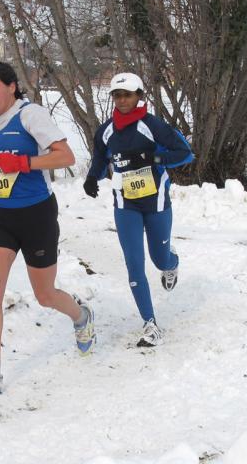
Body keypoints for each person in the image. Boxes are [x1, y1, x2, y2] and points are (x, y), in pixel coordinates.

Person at [0, 61, 95, 393]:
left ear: (11, 87)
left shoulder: (30, 116)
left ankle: (81, 316)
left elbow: (66, 156)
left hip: (36, 214)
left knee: (45, 295)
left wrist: (24, 163)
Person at [83, 72, 193, 348]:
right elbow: (99, 156)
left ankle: (172, 262)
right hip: (125, 203)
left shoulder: (153, 125)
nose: (122, 100)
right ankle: (150, 323)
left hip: (156, 203)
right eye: (117, 95)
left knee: (159, 259)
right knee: (134, 263)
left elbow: (185, 153)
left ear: (139, 96)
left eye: (127, 95)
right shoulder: (106, 130)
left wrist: (154, 157)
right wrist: (91, 177)